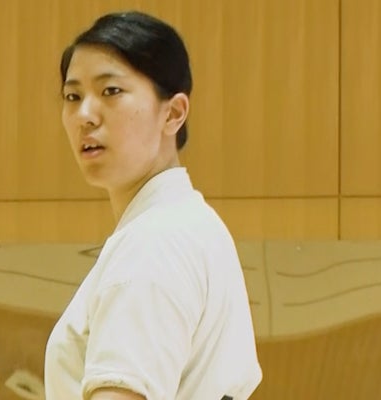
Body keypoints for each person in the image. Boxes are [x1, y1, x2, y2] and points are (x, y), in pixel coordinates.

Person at [43, 11, 263, 400]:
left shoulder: (155, 242)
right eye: (72, 96)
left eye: (111, 91)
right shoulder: (189, 224)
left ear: (173, 113)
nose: (84, 116)